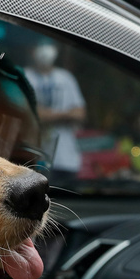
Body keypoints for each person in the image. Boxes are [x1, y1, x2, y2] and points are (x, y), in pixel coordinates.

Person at [24, 41, 86, 188]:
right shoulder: (26, 75)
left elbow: (80, 113)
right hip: (35, 160)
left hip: (67, 161)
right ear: (31, 51)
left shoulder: (66, 78)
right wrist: (66, 114)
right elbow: (30, 114)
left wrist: (46, 115)